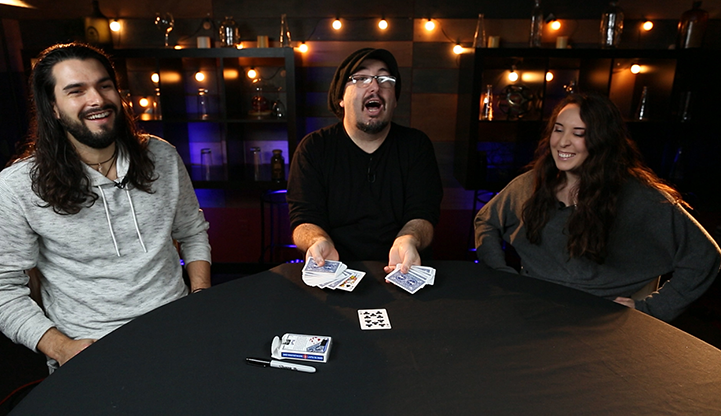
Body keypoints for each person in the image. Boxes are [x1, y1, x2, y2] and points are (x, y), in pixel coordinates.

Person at [0, 42, 211, 370]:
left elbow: (192, 232)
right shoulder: (14, 188)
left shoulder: (162, 155)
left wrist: (200, 297)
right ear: (53, 107)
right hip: (91, 350)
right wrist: (62, 348)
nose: (97, 100)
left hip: (179, 331)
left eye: (104, 86)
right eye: (76, 91)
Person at [474, 92, 720, 322]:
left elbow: (704, 256)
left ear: (602, 140)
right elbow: (486, 221)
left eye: (578, 133)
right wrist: (501, 274)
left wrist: (651, 309)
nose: (563, 142)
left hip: (597, 320)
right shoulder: (531, 183)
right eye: (558, 130)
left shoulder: (640, 197)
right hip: (530, 310)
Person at [287, 48, 443, 273]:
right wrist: (317, 240)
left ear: (394, 99)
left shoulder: (416, 145)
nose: (375, 87)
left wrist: (409, 239)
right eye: (361, 78)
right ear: (341, 98)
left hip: (402, 268)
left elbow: (423, 213)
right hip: (335, 269)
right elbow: (304, 217)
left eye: (385, 79)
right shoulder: (313, 148)